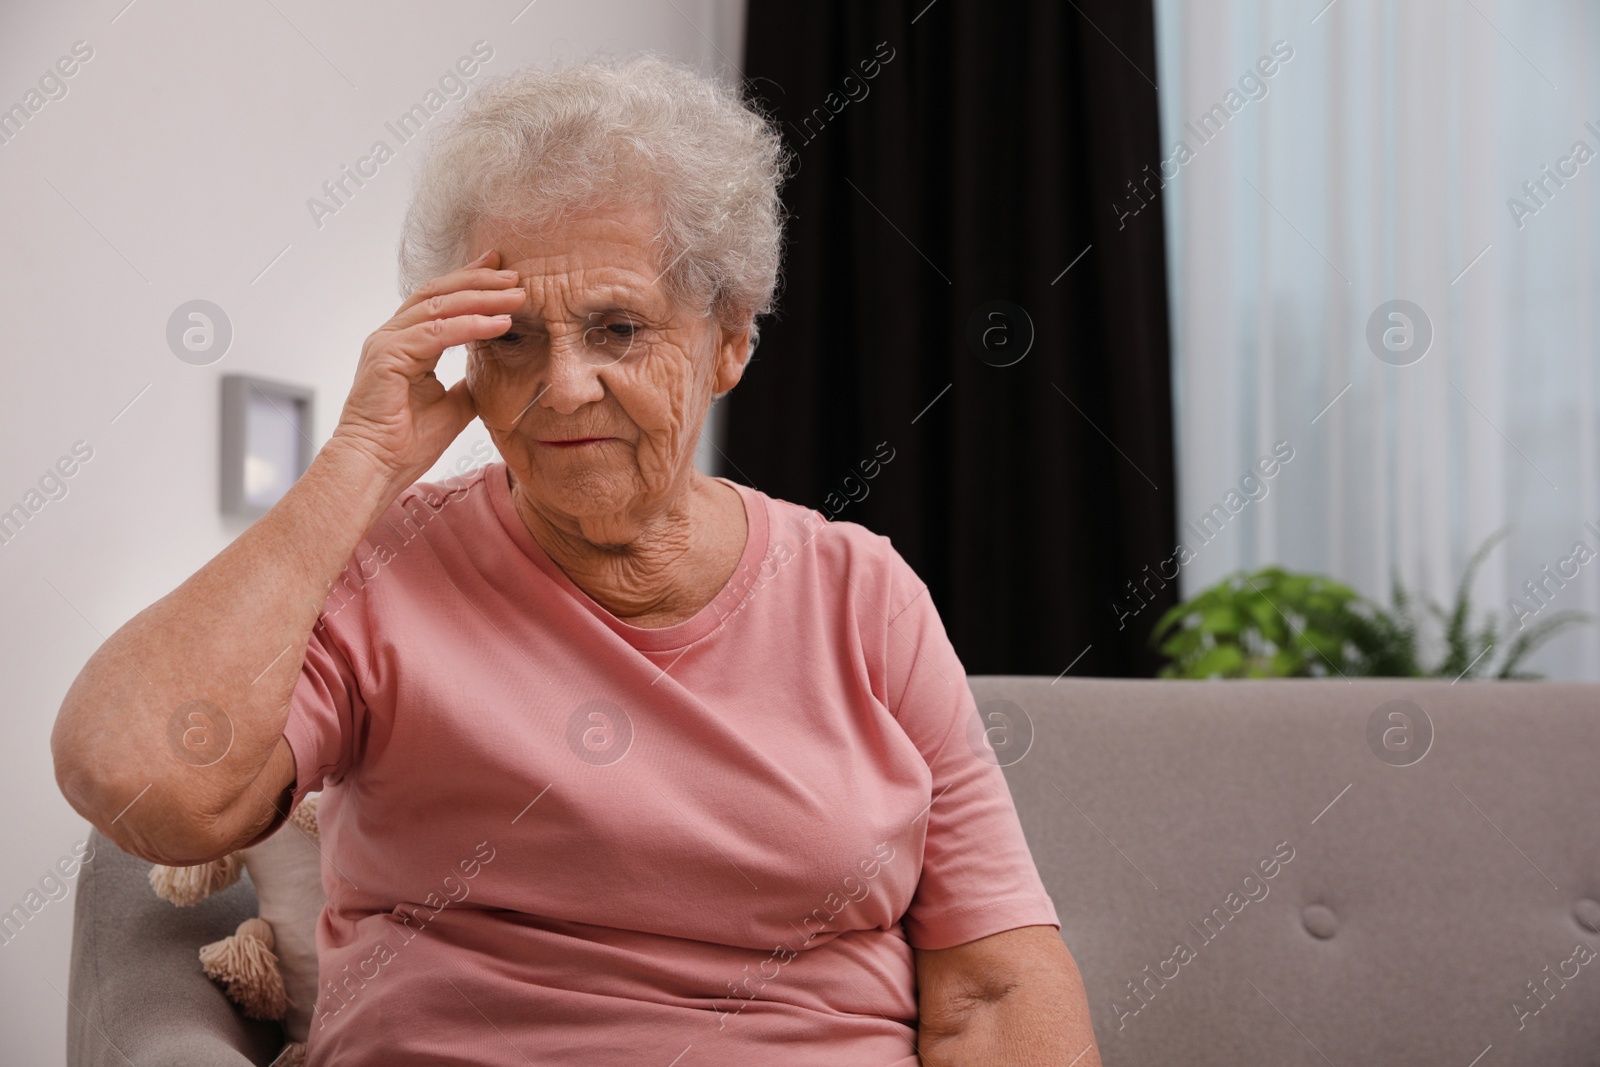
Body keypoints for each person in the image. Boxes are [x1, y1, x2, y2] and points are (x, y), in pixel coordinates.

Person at [52, 56, 1102, 1066]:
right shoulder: (388, 566)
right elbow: (139, 784)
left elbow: (997, 984)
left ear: (728, 338)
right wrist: (354, 467)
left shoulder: (860, 593)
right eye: (510, 336)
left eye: (616, 327)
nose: (561, 386)